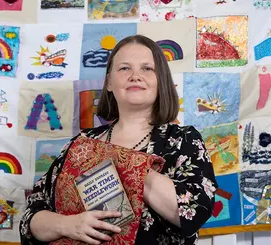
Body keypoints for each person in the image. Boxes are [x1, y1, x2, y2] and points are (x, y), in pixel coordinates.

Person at [20, 34, 218, 245]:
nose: (135, 76)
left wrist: (122, 163)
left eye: (147, 68)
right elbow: (32, 215)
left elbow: (193, 212)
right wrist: (68, 225)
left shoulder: (183, 140)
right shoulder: (82, 142)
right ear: (109, 83)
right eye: (124, 68)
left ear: (161, 82)